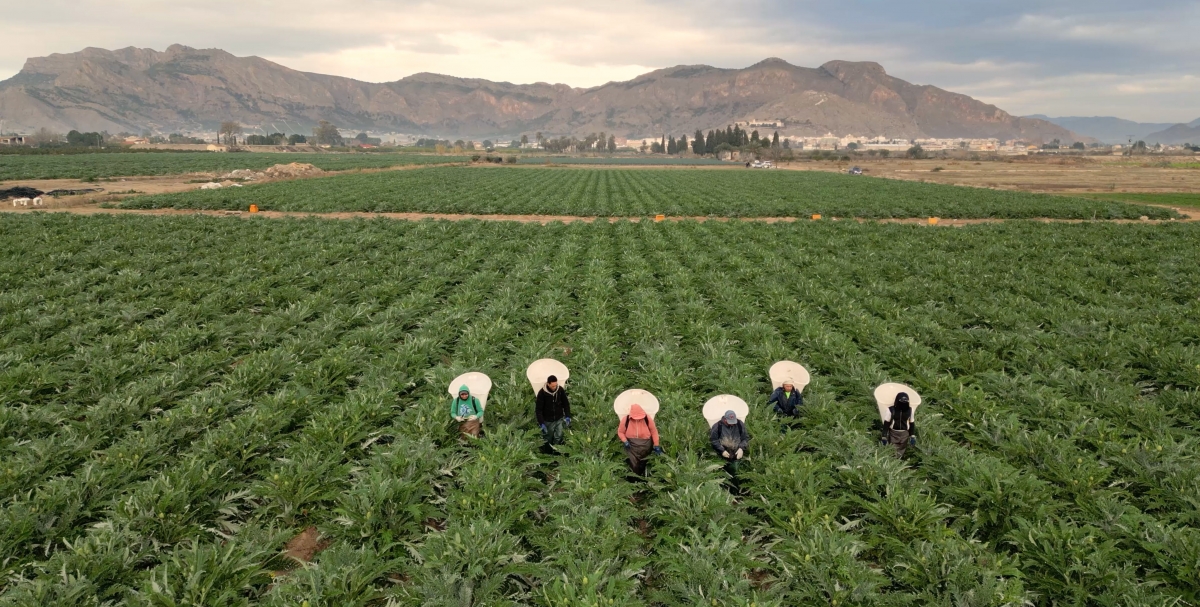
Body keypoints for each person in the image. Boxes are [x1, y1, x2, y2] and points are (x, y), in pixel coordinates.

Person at [617, 403, 662, 476]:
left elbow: (654, 431)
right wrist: (625, 441)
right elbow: (620, 432)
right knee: (633, 464)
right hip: (632, 447)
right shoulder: (626, 420)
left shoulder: (647, 419)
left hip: (646, 446)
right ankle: (633, 480)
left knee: (645, 463)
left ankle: (645, 479)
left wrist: (656, 444)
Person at [536, 375, 571, 448]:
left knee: (559, 436)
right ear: (548, 384)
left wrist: (568, 416)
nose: (554, 387)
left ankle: (556, 452)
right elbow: (538, 410)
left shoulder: (560, 390)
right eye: (552, 386)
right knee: (548, 437)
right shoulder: (542, 393)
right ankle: (547, 453)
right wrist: (541, 423)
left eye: (556, 385)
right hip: (548, 420)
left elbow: (566, 404)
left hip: (559, 418)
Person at [710, 410, 749, 475]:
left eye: (733, 422)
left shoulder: (739, 424)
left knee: (737, 471)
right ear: (725, 419)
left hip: (736, 453)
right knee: (725, 472)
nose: (732, 424)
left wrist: (741, 448)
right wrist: (722, 451)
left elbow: (745, 438)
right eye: (730, 422)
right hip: (723, 454)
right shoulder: (717, 426)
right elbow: (714, 440)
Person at [880, 392, 917, 457]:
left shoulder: (910, 410)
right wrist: (884, 436)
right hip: (893, 434)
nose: (903, 404)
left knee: (901, 450)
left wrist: (912, 435)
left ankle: (898, 462)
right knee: (892, 450)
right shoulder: (891, 410)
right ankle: (892, 462)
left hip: (904, 434)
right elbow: (886, 423)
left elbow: (912, 423)